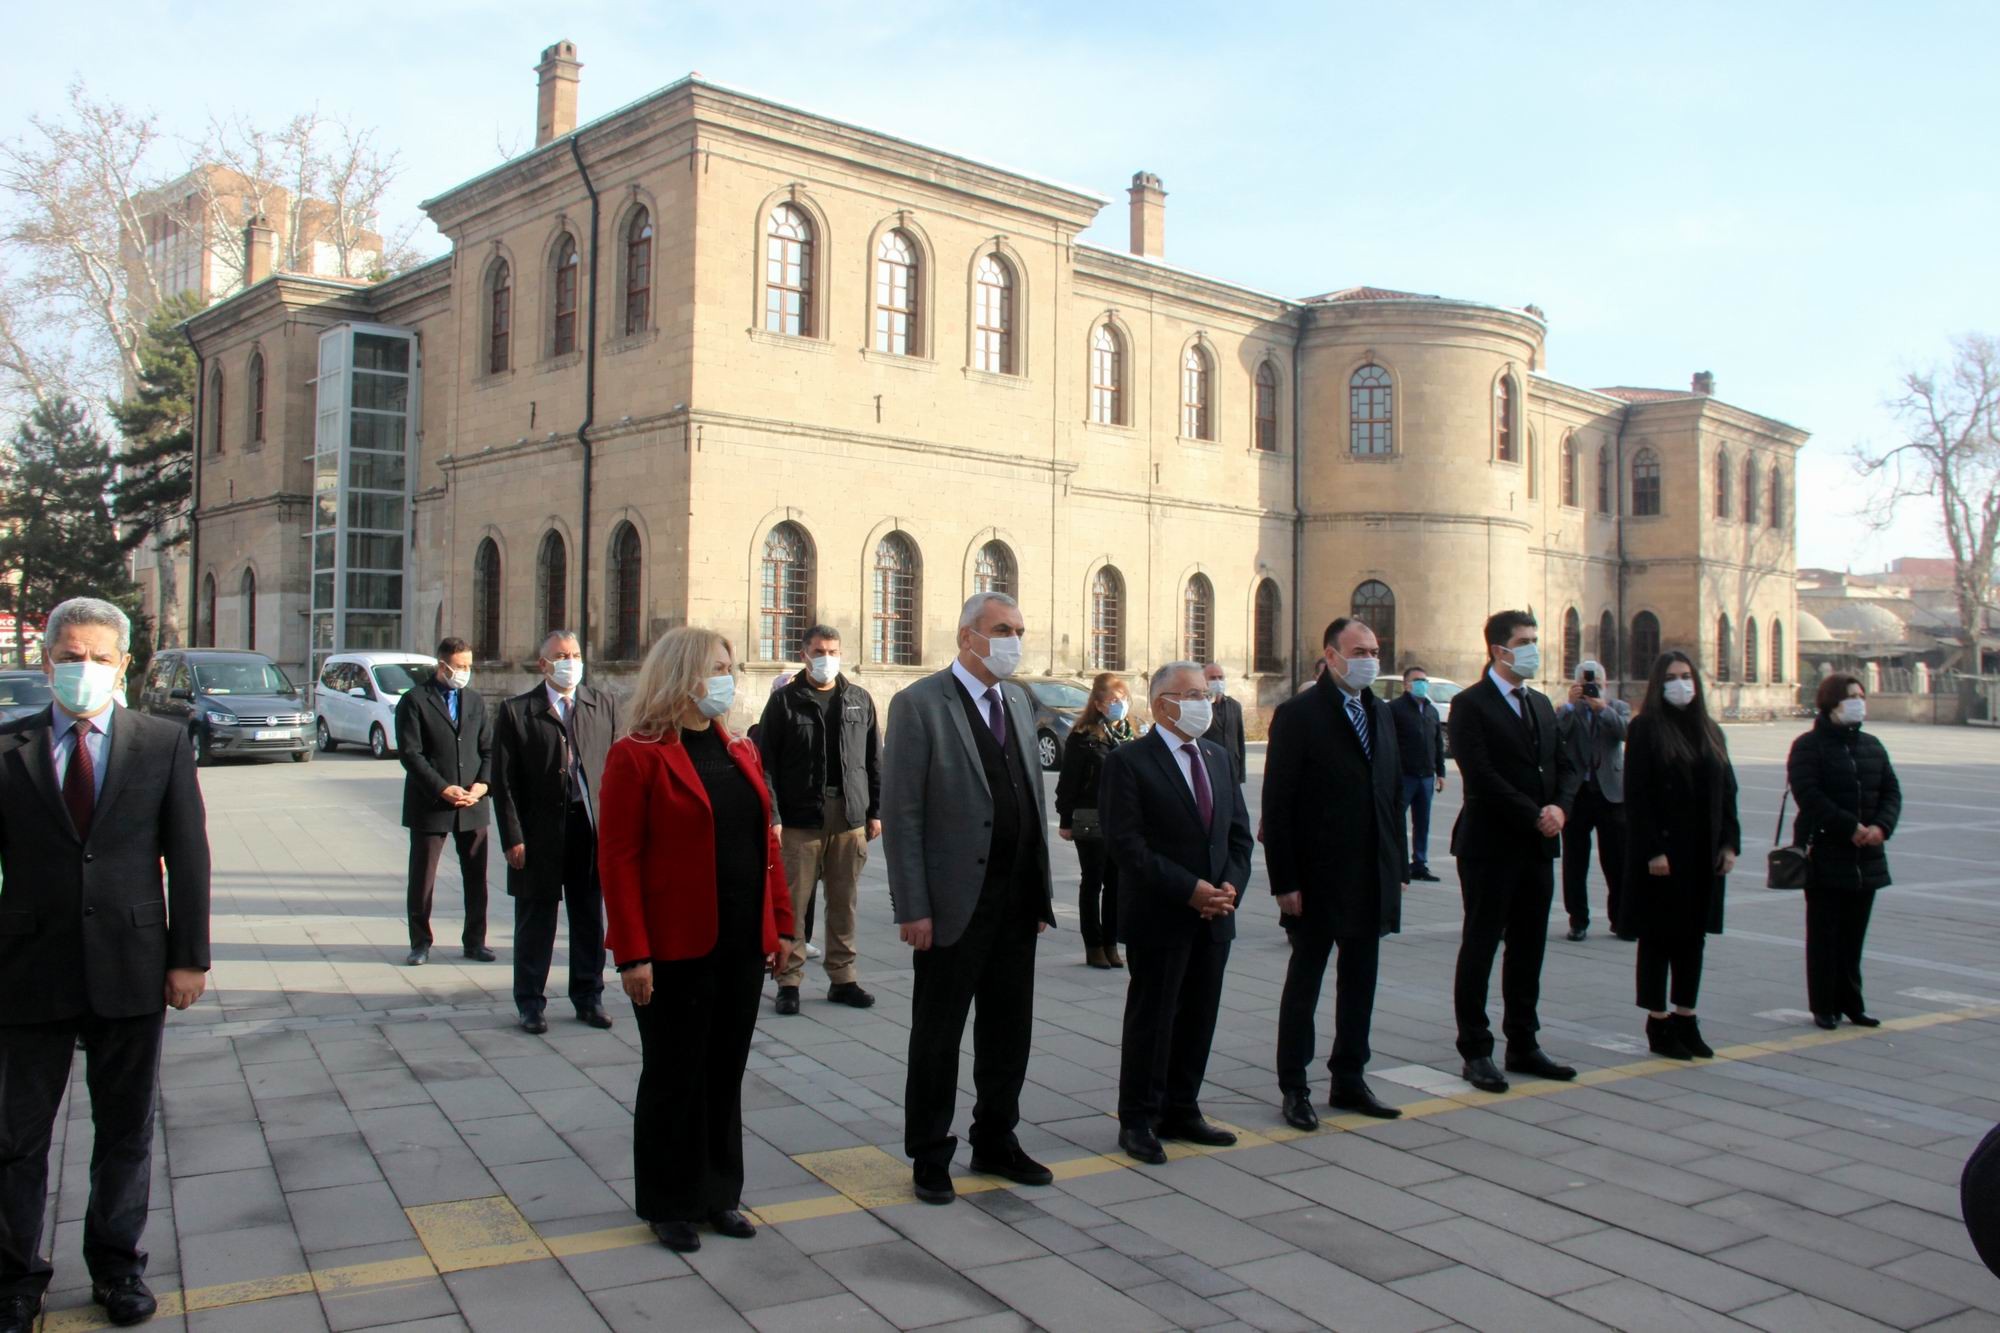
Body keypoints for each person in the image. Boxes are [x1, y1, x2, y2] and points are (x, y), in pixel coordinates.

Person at [0, 597, 210, 1331]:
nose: (81, 668)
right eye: (68, 655)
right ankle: (14, 1276)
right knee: (16, 1136)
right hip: (28, 968)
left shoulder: (160, 742)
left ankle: (117, 1267)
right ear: (46, 659)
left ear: (123, 664)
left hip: (132, 961)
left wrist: (189, 957)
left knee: (125, 1129)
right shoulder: (9, 748)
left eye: (97, 656)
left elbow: (187, 855)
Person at [598, 627, 794, 1253]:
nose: (727, 679)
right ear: (682, 675)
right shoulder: (637, 754)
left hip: (740, 943)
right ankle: (668, 1201)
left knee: (724, 1072)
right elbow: (618, 860)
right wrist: (632, 952)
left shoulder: (741, 751)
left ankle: (719, 1195)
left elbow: (767, 846)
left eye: (729, 667)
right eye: (717, 667)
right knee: (673, 1074)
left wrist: (784, 926)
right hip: (673, 947)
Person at [882, 592, 1056, 1205]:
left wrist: (1040, 893)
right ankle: (930, 1152)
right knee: (938, 1033)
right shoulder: (919, 705)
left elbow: (1032, 800)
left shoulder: (1018, 699)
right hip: (953, 904)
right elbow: (902, 814)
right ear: (966, 638)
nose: (1014, 639)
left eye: (1019, 628)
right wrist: (912, 907)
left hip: (1014, 902)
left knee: (1009, 1032)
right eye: (1001, 629)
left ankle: (996, 1139)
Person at [1098, 662, 1252, 1163]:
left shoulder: (1218, 757)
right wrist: (1189, 889)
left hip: (1215, 915)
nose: (1203, 703)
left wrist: (1229, 886)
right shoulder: (1130, 762)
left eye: (1205, 694)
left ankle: (1182, 1107)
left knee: (1199, 1017)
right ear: (1163, 704)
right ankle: (1138, 1117)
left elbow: (1238, 836)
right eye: (1191, 695)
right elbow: (1127, 845)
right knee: (1154, 1018)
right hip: (1161, 913)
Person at [1264, 618, 1410, 1130]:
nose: (1370, 657)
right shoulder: (1299, 714)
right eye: (1360, 650)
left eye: (1375, 649)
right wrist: (1284, 880)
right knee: (1306, 980)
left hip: (1371, 873)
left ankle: (1350, 1076)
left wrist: (1400, 862)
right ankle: (1294, 1084)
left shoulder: (1381, 713)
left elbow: (1391, 794)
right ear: (1331, 655)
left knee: (1360, 981)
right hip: (1318, 876)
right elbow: (1278, 805)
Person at [1447, 610, 1580, 1093]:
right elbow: (1480, 775)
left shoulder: (1541, 704)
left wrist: (1560, 810)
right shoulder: (1470, 705)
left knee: (1529, 946)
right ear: (1499, 650)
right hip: (1490, 844)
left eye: (1535, 640)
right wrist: (1533, 812)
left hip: (1538, 844)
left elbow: (1566, 765)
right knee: (1482, 943)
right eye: (1524, 641)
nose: (1533, 648)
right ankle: (1476, 1049)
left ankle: (1523, 1040)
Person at [491, 630, 619, 1034]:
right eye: (562, 656)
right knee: (536, 921)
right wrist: (513, 837)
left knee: (587, 918)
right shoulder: (517, 712)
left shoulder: (602, 704)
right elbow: (504, 781)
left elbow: (614, 771)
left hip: (588, 827)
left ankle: (589, 995)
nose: (571, 662)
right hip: (539, 832)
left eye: (576, 654)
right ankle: (530, 1002)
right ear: (544, 664)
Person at [757, 624, 881, 1015]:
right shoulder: (785, 702)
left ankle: (842, 978)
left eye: (833, 650)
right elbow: (767, 765)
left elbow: (874, 760)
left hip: (849, 815)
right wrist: (774, 814)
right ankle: (789, 980)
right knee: (794, 903)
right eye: (819, 650)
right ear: (805, 653)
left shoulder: (858, 699)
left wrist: (875, 810)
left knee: (844, 902)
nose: (827, 657)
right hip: (799, 818)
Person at [1622, 651, 1739, 1059]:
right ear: (1658, 684)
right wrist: (1653, 848)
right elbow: (1637, 796)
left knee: (1693, 938)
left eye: (1686, 676)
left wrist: (1729, 842)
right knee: (1659, 939)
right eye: (1671, 677)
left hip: (1702, 851)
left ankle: (1686, 1017)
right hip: (1664, 855)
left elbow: (1728, 791)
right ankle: (1658, 1021)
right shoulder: (1645, 729)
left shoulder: (1710, 730)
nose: (1680, 684)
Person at [1788, 673, 1900, 1030]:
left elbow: (1891, 791)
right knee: (1824, 934)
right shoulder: (1808, 746)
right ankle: (1824, 1005)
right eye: (1851, 696)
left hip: (1866, 857)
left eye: (1861, 695)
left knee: (1853, 936)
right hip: (1825, 852)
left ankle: (1852, 1002)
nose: (1858, 702)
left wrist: (1881, 827)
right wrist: (1848, 827)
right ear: (1831, 703)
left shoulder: (1872, 745)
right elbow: (1809, 794)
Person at [395, 639, 495, 967]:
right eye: (459, 666)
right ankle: (420, 942)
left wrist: (482, 785)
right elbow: (411, 754)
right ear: (442, 666)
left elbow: (487, 749)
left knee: (476, 877)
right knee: (423, 877)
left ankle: (475, 941)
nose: (464, 672)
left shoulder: (475, 701)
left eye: (468, 666)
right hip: (432, 803)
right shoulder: (414, 701)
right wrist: (442, 788)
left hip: (472, 803)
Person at [1054, 672, 1136, 969]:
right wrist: (1065, 818)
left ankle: (1112, 943)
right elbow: (1069, 781)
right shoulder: (1083, 736)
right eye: (1114, 700)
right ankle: (1094, 944)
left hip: (1123, 821)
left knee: (1117, 884)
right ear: (1099, 704)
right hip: (1091, 818)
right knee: (1093, 881)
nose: (1120, 704)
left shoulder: (1130, 733)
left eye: (1123, 698)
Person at [1556, 658, 1632, 942]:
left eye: (1596, 684)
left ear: (1605, 684)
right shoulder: (1568, 710)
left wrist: (1603, 709)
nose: (1591, 689)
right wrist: (1571, 705)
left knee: (1617, 860)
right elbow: (1556, 735)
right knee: (1575, 862)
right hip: (1577, 794)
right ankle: (1578, 920)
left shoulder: (1618, 707)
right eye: (1587, 684)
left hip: (1611, 794)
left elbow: (1625, 732)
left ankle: (1621, 919)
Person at [1388, 664, 1446, 883]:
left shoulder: (1431, 710)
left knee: (1422, 822)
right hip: (1404, 775)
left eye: (1424, 680)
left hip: (1426, 776)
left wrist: (1440, 772)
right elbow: (1389, 743)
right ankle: (1397, 863)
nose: (1422, 684)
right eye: (1417, 680)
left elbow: (1437, 743)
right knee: (1397, 821)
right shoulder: (1395, 709)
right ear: (1406, 684)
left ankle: (1419, 863)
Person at [1201, 663, 1247, 786]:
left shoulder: (1234, 705)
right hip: (1209, 765)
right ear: (1203, 680)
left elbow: (1239, 739)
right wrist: (1207, 700)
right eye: (1212, 678)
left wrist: (1241, 773)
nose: (1217, 681)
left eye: (1220, 677)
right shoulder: (1200, 705)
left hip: (1232, 765)